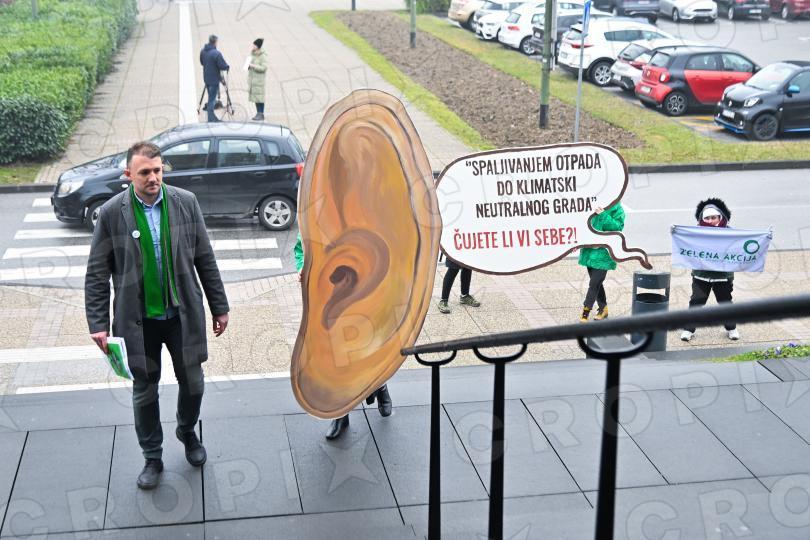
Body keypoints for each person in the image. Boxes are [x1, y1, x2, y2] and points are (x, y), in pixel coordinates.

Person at [85, 141, 230, 490]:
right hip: (139, 322)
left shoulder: (185, 202)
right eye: (145, 172)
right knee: (145, 391)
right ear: (128, 174)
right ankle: (152, 455)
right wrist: (98, 324)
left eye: (157, 170)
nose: (153, 178)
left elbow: (205, 258)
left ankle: (187, 430)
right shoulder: (111, 213)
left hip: (182, 316)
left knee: (193, 383)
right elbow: (97, 273)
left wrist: (220, 306)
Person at [294, 234, 392, 440]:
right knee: (336, 360)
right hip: (328, 298)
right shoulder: (312, 219)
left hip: (363, 294)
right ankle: (340, 415)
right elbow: (301, 247)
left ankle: (380, 386)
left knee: (368, 351)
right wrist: (303, 267)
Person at [681, 198, 739, 342]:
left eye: (714, 217)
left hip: (723, 276)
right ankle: (688, 329)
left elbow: (740, 246)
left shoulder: (730, 233)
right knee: (696, 302)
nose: (711, 220)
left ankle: (731, 328)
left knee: (725, 302)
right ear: (702, 219)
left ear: (720, 217)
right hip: (701, 275)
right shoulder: (695, 232)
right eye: (707, 218)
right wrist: (675, 232)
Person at [578, 203, 625, 322]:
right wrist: (576, 243)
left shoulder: (616, 207)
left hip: (604, 253)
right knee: (597, 283)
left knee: (594, 283)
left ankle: (586, 310)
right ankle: (603, 308)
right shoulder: (592, 201)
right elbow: (581, 224)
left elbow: (618, 227)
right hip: (589, 252)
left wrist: (603, 215)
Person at [200, 35, 230, 122]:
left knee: (211, 98)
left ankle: (212, 117)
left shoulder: (203, 51)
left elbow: (202, 62)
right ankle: (211, 119)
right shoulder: (216, 53)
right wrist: (227, 67)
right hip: (214, 79)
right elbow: (222, 66)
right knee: (212, 100)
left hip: (206, 78)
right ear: (215, 42)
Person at [247, 38, 268, 121]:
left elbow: (264, 68)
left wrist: (253, 66)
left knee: (260, 98)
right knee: (255, 97)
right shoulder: (252, 54)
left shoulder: (263, 56)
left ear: (258, 46)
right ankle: (258, 113)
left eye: (254, 45)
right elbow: (247, 65)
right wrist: (248, 66)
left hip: (259, 81)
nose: (252, 46)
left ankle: (261, 113)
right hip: (252, 80)